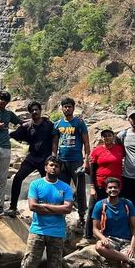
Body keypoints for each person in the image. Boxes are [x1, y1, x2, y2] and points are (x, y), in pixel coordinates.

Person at [4, 156, 73, 268]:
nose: (54, 168)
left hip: (57, 233)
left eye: (56, 166)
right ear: (45, 167)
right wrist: (57, 208)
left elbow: (68, 209)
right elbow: (32, 206)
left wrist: (45, 207)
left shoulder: (64, 187)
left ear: (60, 169)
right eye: (51, 165)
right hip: (37, 231)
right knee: (29, 264)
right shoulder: (36, 184)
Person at [92, 177, 135, 268]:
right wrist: (102, 237)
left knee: (126, 266)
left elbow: (134, 228)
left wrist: (133, 247)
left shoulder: (127, 204)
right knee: (99, 246)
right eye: (110, 188)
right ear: (106, 190)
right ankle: (129, 259)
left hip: (126, 241)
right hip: (110, 239)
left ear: (119, 189)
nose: (113, 190)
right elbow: (94, 229)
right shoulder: (100, 205)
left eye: (115, 187)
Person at [7, 101, 53, 217]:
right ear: (29, 113)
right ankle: (13, 207)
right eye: (32, 110)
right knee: (17, 178)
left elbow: (57, 137)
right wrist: (0, 131)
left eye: (36, 109)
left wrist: (54, 155)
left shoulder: (49, 125)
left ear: (40, 111)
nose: (34, 112)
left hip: (46, 159)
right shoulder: (27, 126)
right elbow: (12, 135)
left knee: (50, 183)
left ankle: (51, 207)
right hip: (32, 158)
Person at [80, 128, 125, 244]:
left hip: (116, 186)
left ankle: (111, 234)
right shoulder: (97, 151)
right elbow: (92, 170)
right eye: (104, 136)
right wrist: (92, 187)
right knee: (93, 209)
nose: (107, 138)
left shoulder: (120, 149)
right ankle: (88, 236)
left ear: (113, 137)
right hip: (100, 185)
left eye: (109, 135)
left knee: (114, 210)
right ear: (102, 138)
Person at [52, 97, 90, 227]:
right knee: (61, 189)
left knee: (80, 189)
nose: (67, 108)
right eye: (65, 106)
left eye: (69, 106)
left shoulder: (79, 123)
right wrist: (53, 157)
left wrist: (86, 161)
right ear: (62, 108)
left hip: (77, 161)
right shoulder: (57, 124)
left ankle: (82, 216)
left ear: (73, 108)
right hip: (62, 161)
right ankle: (60, 215)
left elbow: (86, 142)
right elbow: (55, 142)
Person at [117, 106, 135, 203]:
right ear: (128, 119)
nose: (134, 120)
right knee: (128, 203)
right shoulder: (123, 135)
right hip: (128, 177)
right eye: (132, 118)